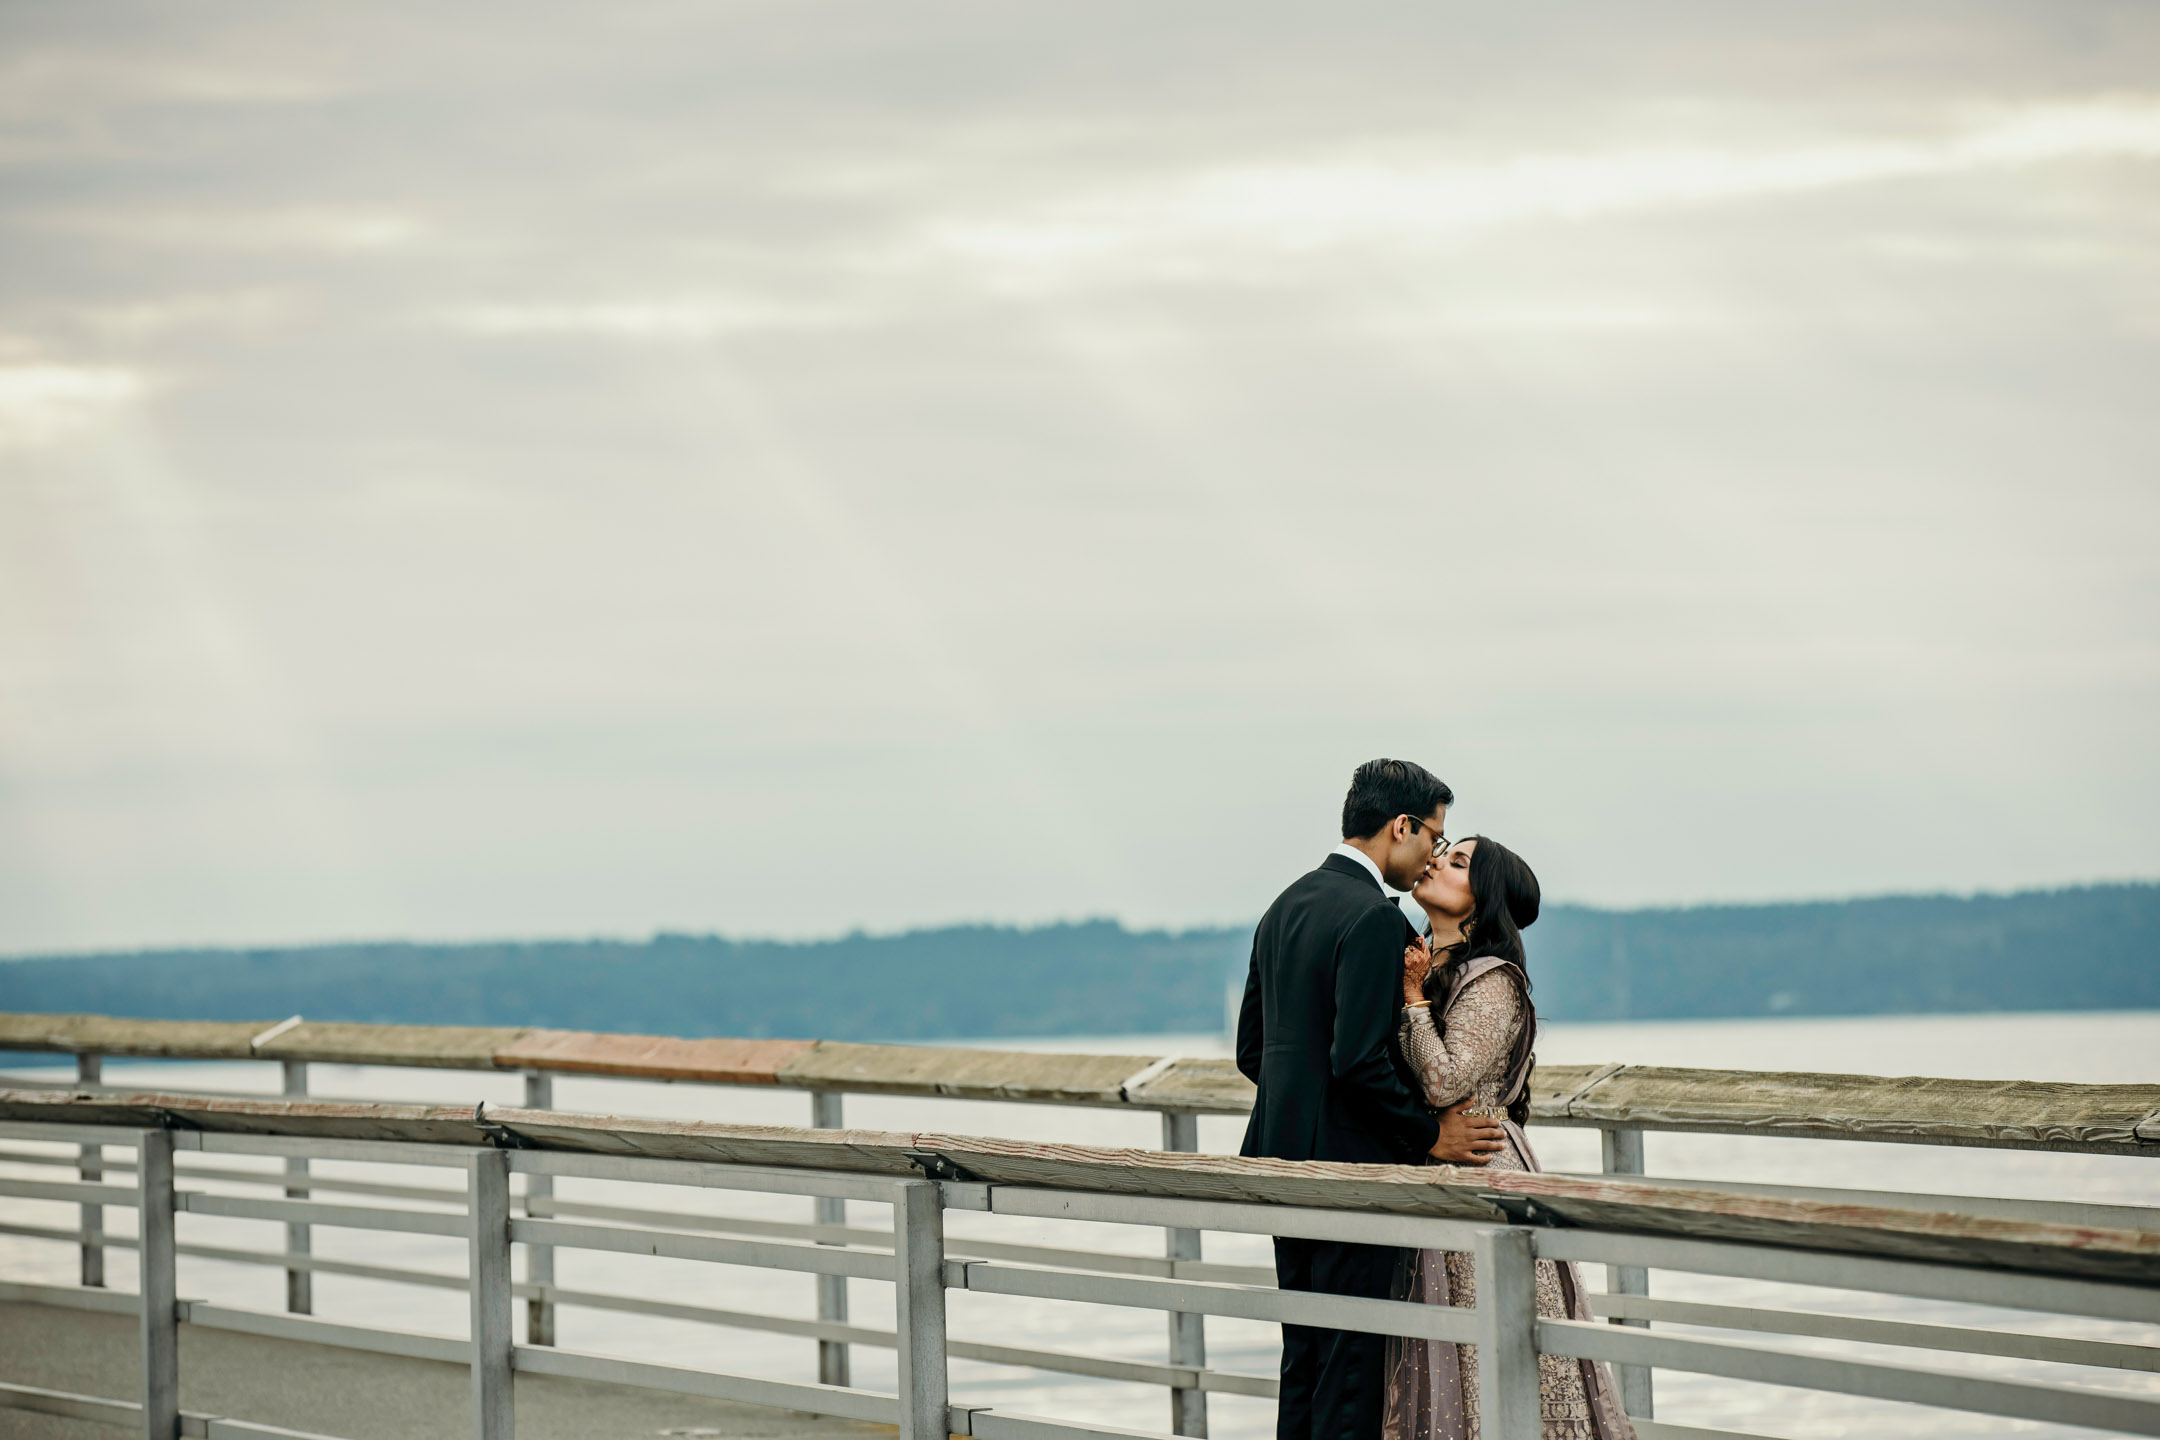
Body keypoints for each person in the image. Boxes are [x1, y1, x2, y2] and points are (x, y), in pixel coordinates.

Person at [1238, 759, 1510, 1440]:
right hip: (1351, 1173)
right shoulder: (1372, 919)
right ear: (1400, 825)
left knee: (1305, 1352)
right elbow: (1358, 1061)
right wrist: (1426, 1135)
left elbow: (1253, 1052)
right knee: (1352, 1362)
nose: (1429, 858)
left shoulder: (1286, 905)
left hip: (1280, 1166)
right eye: (1432, 836)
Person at [1382, 836, 1635, 1440]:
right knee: (1437, 1349)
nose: (1437, 860)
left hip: (1481, 1170)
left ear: (1481, 901)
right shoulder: (1421, 959)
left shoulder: (1491, 980)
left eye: (1459, 861)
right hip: (1431, 1171)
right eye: (1445, 851)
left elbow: (1445, 1080)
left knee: (1491, 1344)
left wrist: (1414, 999)